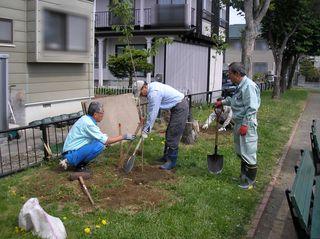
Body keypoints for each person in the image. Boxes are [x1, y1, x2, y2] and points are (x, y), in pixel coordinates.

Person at [215, 62, 260, 189]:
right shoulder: (241, 85)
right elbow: (235, 100)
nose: (228, 76)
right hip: (239, 122)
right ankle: (243, 176)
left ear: (237, 74)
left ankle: (250, 181)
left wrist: (245, 124)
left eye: (230, 74)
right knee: (241, 151)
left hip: (247, 124)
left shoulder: (249, 86)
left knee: (249, 152)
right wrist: (222, 102)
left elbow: (252, 108)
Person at [59, 101, 135, 171]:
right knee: (100, 145)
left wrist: (106, 139)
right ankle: (77, 164)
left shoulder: (85, 119)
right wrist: (124, 136)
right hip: (70, 153)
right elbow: (105, 141)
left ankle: (76, 161)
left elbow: (100, 136)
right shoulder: (88, 124)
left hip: (72, 150)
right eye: (101, 113)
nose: (103, 115)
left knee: (98, 141)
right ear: (95, 114)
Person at [134, 80, 189, 170]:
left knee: (173, 133)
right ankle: (166, 157)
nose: (141, 95)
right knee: (169, 132)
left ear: (144, 87)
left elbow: (153, 113)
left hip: (180, 107)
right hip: (176, 106)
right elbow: (151, 108)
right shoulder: (152, 88)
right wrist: (145, 117)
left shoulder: (154, 93)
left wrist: (146, 130)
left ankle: (171, 161)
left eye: (140, 93)